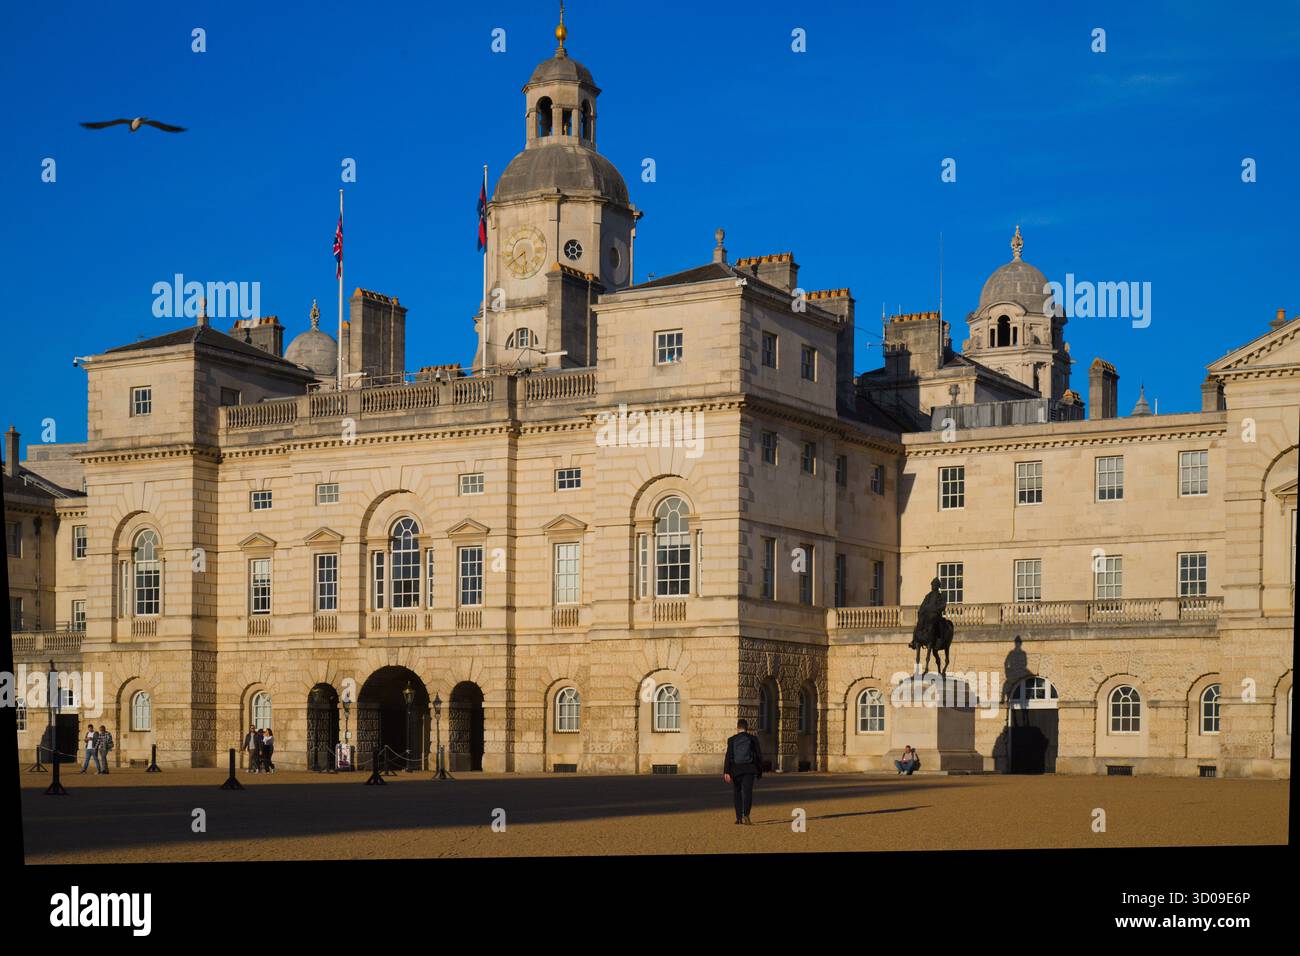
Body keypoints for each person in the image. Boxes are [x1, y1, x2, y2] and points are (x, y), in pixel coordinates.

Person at [723, 718, 764, 825]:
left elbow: (729, 756)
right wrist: (759, 771)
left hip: (736, 769)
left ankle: (738, 817)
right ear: (747, 728)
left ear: (737, 728)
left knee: (737, 793)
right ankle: (746, 815)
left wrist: (726, 771)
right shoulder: (753, 739)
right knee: (747, 793)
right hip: (749, 769)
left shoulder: (731, 740)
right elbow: (759, 756)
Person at [911, 577, 948, 651]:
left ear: (938, 586)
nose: (933, 586)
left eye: (935, 585)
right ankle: (914, 641)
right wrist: (922, 611)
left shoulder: (942, 596)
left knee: (939, 625)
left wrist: (933, 609)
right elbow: (923, 606)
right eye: (932, 585)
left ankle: (939, 641)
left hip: (936, 615)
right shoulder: (928, 596)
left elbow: (943, 606)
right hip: (927, 615)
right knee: (918, 625)